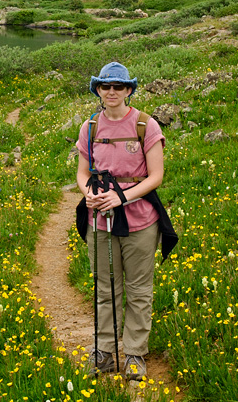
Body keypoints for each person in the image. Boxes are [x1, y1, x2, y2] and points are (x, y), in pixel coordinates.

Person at [76, 61, 177, 379]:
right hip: (100, 220)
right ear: (98, 90)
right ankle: (104, 351)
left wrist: (122, 197)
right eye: (105, 86)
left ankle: (134, 353)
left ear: (129, 90)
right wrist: (89, 194)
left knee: (138, 289)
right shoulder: (90, 127)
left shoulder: (146, 126)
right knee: (105, 288)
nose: (111, 92)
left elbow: (156, 176)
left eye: (119, 86)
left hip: (140, 221)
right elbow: (82, 173)